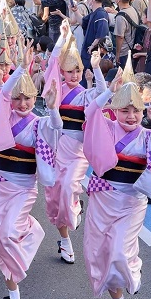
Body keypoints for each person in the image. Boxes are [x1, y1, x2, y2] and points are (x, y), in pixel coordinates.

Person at [83, 71, 151, 299]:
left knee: (119, 252)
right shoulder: (106, 127)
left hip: (131, 202)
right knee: (98, 255)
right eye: (124, 110)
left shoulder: (148, 136)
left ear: (143, 111)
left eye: (136, 110)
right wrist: (108, 92)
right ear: (115, 110)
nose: (131, 116)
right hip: (102, 197)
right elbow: (89, 113)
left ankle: (133, 266)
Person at [0, 53, 61, 299]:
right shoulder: (0, 115)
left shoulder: (39, 123)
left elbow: (56, 129)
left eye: (28, 97)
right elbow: (3, 93)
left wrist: (52, 108)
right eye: (18, 97)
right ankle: (13, 295)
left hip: (24, 188)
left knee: (5, 236)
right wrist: (19, 70)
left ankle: (32, 230)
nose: (23, 102)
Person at [42, 22, 107, 263]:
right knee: (55, 197)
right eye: (70, 71)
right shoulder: (55, 89)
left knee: (69, 186)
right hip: (56, 149)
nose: (75, 75)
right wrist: (62, 37)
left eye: (78, 71)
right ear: (62, 72)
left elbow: (102, 91)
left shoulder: (84, 93)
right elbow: (51, 63)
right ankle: (65, 239)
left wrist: (97, 69)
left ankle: (75, 209)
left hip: (77, 152)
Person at [81, 0, 110, 78]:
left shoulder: (101, 14)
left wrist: (92, 46)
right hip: (88, 50)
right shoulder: (94, 13)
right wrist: (75, 11)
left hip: (94, 53)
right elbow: (82, 23)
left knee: (90, 76)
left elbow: (101, 34)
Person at [113, 0, 139, 67]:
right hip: (132, 48)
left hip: (124, 52)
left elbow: (120, 37)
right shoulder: (133, 9)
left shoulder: (121, 17)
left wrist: (117, 54)